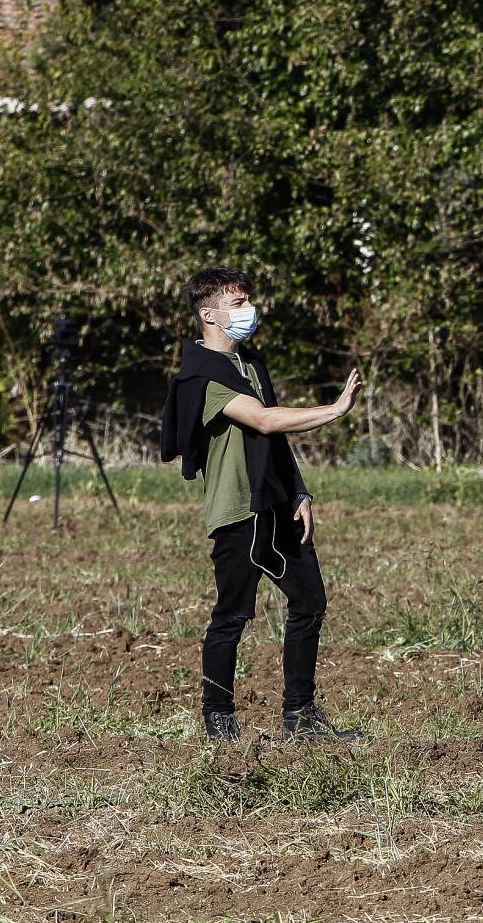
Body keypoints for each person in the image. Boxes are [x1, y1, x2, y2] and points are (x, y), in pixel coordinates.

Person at [159, 266, 366, 743]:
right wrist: (333, 411)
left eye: (247, 301)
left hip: (275, 503)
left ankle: (300, 716)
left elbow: (273, 445)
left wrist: (300, 491)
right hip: (237, 509)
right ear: (208, 315)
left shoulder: (250, 365)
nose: (248, 310)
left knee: (310, 603)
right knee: (232, 616)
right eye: (236, 304)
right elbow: (266, 421)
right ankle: (219, 720)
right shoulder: (200, 378)